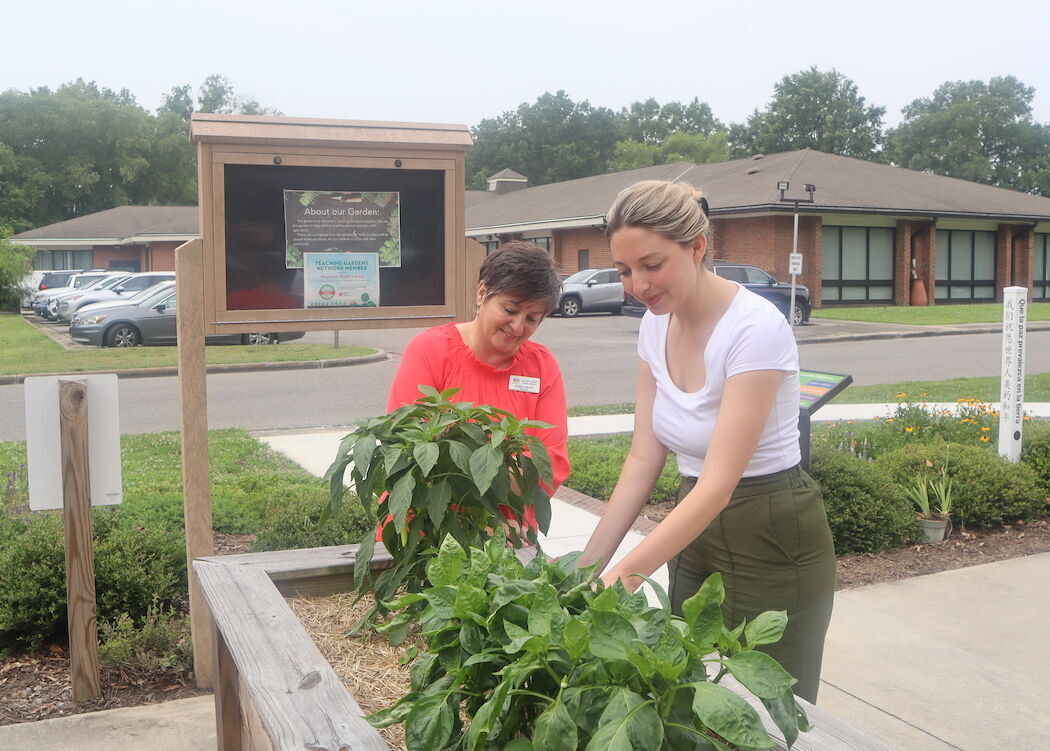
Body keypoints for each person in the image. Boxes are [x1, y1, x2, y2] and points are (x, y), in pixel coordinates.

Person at [577, 180, 835, 702]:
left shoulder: (755, 328)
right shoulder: (654, 326)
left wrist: (625, 577)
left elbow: (720, 483)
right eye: (624, 270)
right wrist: (583, 571)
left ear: (697, 247)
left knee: (768, 712)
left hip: (772, 527)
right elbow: (643, 456)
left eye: (651, 265)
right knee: (684, 695)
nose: (637, 284)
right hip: (691, 525)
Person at [386, 240, 570, 535]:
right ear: (482, 293)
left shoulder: (542, 366)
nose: (518, 326)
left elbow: (551, 460)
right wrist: (479, 517)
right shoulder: (431, 350)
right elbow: (407, 449)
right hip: (427, 527)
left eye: (532, 318)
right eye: (510, 309)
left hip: (508, 530)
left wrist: (496, 517)